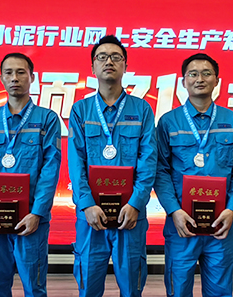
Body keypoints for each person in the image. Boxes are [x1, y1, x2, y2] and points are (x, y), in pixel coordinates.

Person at [154, 53, 233, 297]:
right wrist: (174, 211)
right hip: (181, 224)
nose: (200, 79)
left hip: (220, 224)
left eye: (207, 73)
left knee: (220, 291)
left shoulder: (232, 120)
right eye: (193, 74)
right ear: (183, 81)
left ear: (217, 80)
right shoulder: (168, 122)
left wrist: (232, 210)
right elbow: (160, 171)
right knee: (178, 290)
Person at [68, 35, 157, 297]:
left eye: (116, 57)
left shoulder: (142, 110)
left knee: (131, 287)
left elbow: (148, 160)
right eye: (102, 57)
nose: (109, 61)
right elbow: (76, 162)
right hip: (91, 216)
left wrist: (136, 203)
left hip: (130, 215)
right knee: (88, 286)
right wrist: (86, 204)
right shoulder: (80, 110)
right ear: (92, 67)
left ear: (125, 66)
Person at [0, 52, 61, 297]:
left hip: (31, 219)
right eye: (8, 73)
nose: (14, 78)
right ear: (1, 78)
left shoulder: (47, 120)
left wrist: (38, 213)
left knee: (35, 288)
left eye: (21, 72)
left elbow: (50, 170)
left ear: (32, 77)